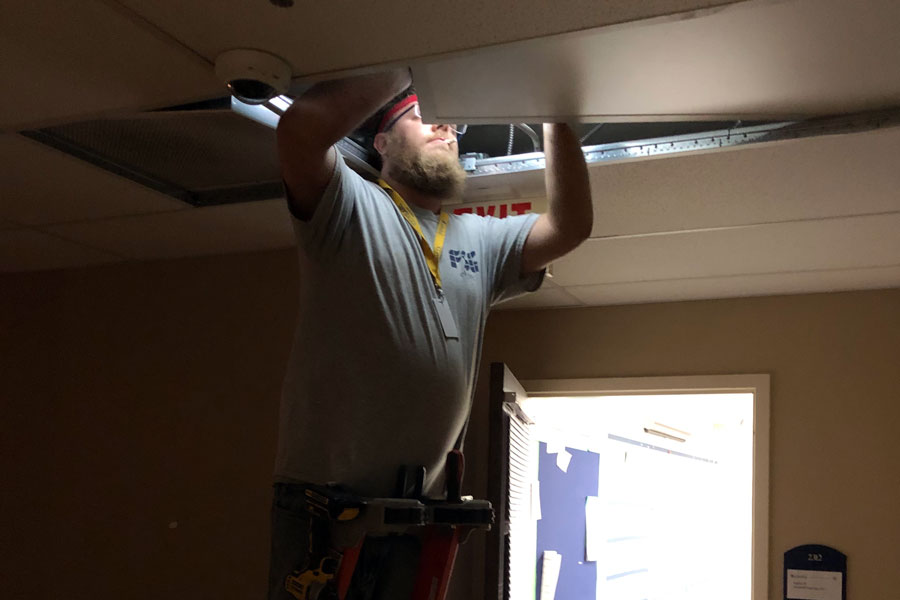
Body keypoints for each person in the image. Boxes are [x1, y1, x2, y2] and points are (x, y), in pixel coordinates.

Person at [268, 68, 593, 600]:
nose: (446, 129)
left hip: (420, 512)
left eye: (453, 128)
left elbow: (570, 226)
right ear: (381, 141)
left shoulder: (481, 239)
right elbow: (299, 132)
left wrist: (553, 117)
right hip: (324, 505)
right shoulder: (348, 203)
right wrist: (411, 63)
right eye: (422, 116)